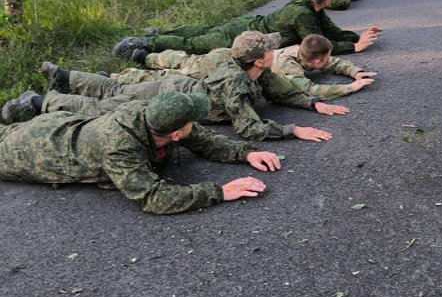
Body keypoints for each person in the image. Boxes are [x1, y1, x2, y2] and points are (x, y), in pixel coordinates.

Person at [28, 32, 348, 142]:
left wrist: (313, 104)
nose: (273, 52)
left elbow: (280, 89)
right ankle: (43, 100)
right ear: (260, 60)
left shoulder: (251, 68)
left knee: (115, 91)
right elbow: (248, 128)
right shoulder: (237, 83)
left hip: (180, 85)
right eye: (268, 51)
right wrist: (294, 130)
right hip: (173, 95)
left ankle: (65, 77)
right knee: (113, 102)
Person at [0, 90, 280, 215]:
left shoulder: (154, 116)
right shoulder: (121, 150)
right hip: (30, 150)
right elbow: (154, 198)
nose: (194, 125)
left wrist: (245, 153)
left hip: (62, 125)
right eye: (190, 122)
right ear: (174, 134)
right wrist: (219, 192)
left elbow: (202, 139)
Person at [113, 0, 381, 58]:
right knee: (196, 44)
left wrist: (357, 36)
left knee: (202, 31)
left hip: (248, 26)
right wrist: (353, 48)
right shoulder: (303, 15)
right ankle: (145, 43)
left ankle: (155, 34)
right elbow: (312, 44)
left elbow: (329, 30)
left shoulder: (308, 6)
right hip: (242, 36)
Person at [111, 34, 377, 102]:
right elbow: (311, 89)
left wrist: (354, 72)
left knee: (182, 60)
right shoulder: (288, 65)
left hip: (234, 58)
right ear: (314, 61)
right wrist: (350, 88)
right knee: (178, 68)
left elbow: (335, 62)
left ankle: (141, 59)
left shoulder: (306, 52)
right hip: (217, 65)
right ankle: (133, 67)